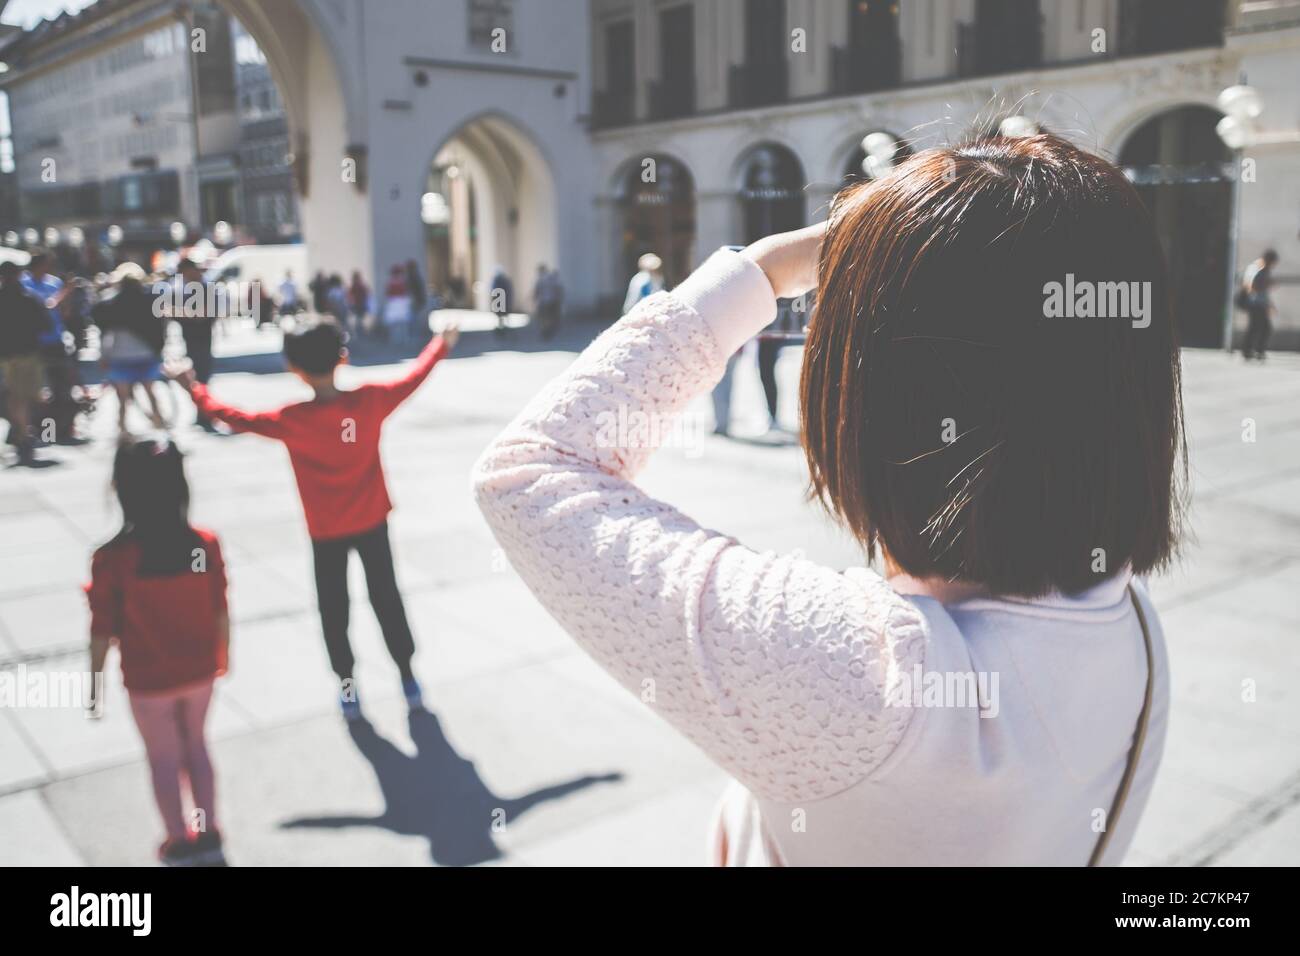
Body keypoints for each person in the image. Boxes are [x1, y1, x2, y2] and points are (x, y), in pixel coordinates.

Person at [473, 133, 1183, 866]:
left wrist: (766, 268)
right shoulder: (1130, 623)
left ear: (886, 400)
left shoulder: (867, 674)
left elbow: (532, 470)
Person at [169, 315, 460, 721]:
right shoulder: (371, 402)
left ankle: (348, 688)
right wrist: (440, 343)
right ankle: (407, 678)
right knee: (387, 599)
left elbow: (230, 416)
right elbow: (416, 376)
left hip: (325, 533)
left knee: (333, 609)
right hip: (372, 524)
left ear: (294, 368)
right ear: (343, 357)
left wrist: (192, 388)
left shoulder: (292, 420)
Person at [86, 438, 229, 866]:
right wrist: (224, 656)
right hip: (200, 669)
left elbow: (101, 630)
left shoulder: (112, 559)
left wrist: (93, 687)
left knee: (163, 758)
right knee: (197, 748)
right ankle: (207, 831)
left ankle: (178, 840)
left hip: (149, 680)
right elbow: (219, 606)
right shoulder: (201, 547)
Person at [92, 262, 168, 434]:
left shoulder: (110, 305)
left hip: (120, 356)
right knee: (150, 392)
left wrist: (103, 356)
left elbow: (106, 334)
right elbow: (159, 330)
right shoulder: (149, 302)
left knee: (122, 398)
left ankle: (123, 430)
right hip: (145, 354)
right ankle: (159, 425)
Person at [0, 260, 52, 465]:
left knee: (16, 395)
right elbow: (45, 325)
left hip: (6, 354)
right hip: (28, 352)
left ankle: (21, 430)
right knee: (28, 395)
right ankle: (24, 433)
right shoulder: (30, 298)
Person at [22, 250, 77, 442]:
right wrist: (65, 293)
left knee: (60, 387)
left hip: (55, 339)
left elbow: (63, 313)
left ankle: (58, 430)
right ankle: (38, 431)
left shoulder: (54, 282)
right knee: (38, 390)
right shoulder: (24, 284)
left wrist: (67, 301)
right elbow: (44, 306)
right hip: (34, 343)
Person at [176, 259, 219, 432]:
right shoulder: (186, 289)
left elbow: (202, 315)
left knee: (201, 378)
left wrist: (182, 313)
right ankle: (202, 413)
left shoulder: (205, 288)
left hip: (202, 338)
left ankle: (206, 413)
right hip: (191, 338)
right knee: (197, 378)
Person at [1240, 249, 1278, 361]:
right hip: (1256, 303)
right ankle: (1255, 351)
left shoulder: (1257, 267)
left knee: (1256, 327)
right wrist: (1267, 284)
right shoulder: (1260, 269)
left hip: (1257, 303)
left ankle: (1250, 351)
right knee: (1263, 328)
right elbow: (1252, 286)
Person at [532, 264, 564, 341]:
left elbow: (537, 291)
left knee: (544, 318)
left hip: (545, 302)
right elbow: (558, 289)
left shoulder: (541, 279)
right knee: (549, 318)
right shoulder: (550, 278)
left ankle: (546, 330)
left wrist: (535, 299)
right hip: (550, 301)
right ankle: (548, 330)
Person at [405, 259, 427, 340]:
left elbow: (413, 290)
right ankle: (414, 336)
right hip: (417, 301)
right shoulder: (415, 276)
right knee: (415, 319)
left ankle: (414, 336)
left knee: (414, 319)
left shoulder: (412, 276)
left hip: (415, 301)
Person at [489, 265, 514, 334]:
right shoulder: (505, 280)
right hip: (502, 300)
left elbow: (493, 290)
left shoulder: (497, 280)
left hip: (499, 300)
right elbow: (509, 291)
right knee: (503, 315)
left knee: (500, 315)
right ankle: (503, 327)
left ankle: (502, 327)